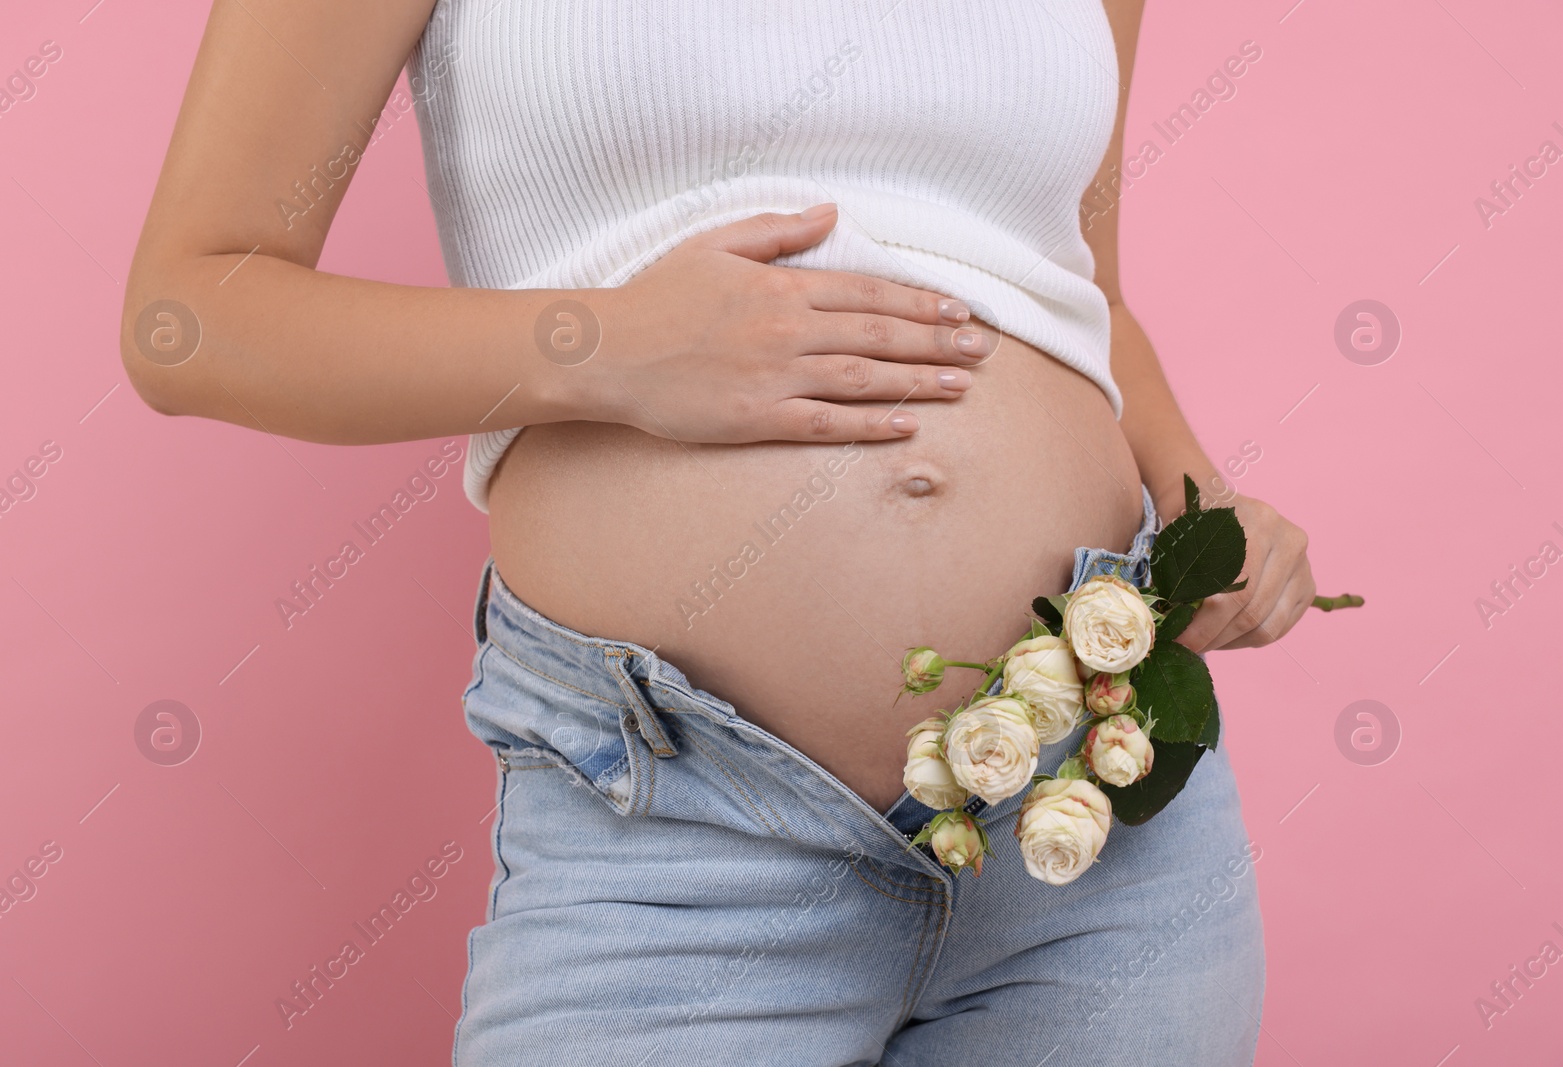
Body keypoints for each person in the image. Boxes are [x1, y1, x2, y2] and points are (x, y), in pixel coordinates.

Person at [122, 0, 1312, 1062]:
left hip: (1093, 799)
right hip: (676, 837)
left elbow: (1077, 283)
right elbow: (190, 310)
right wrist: (607, 346)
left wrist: (1204, 501)